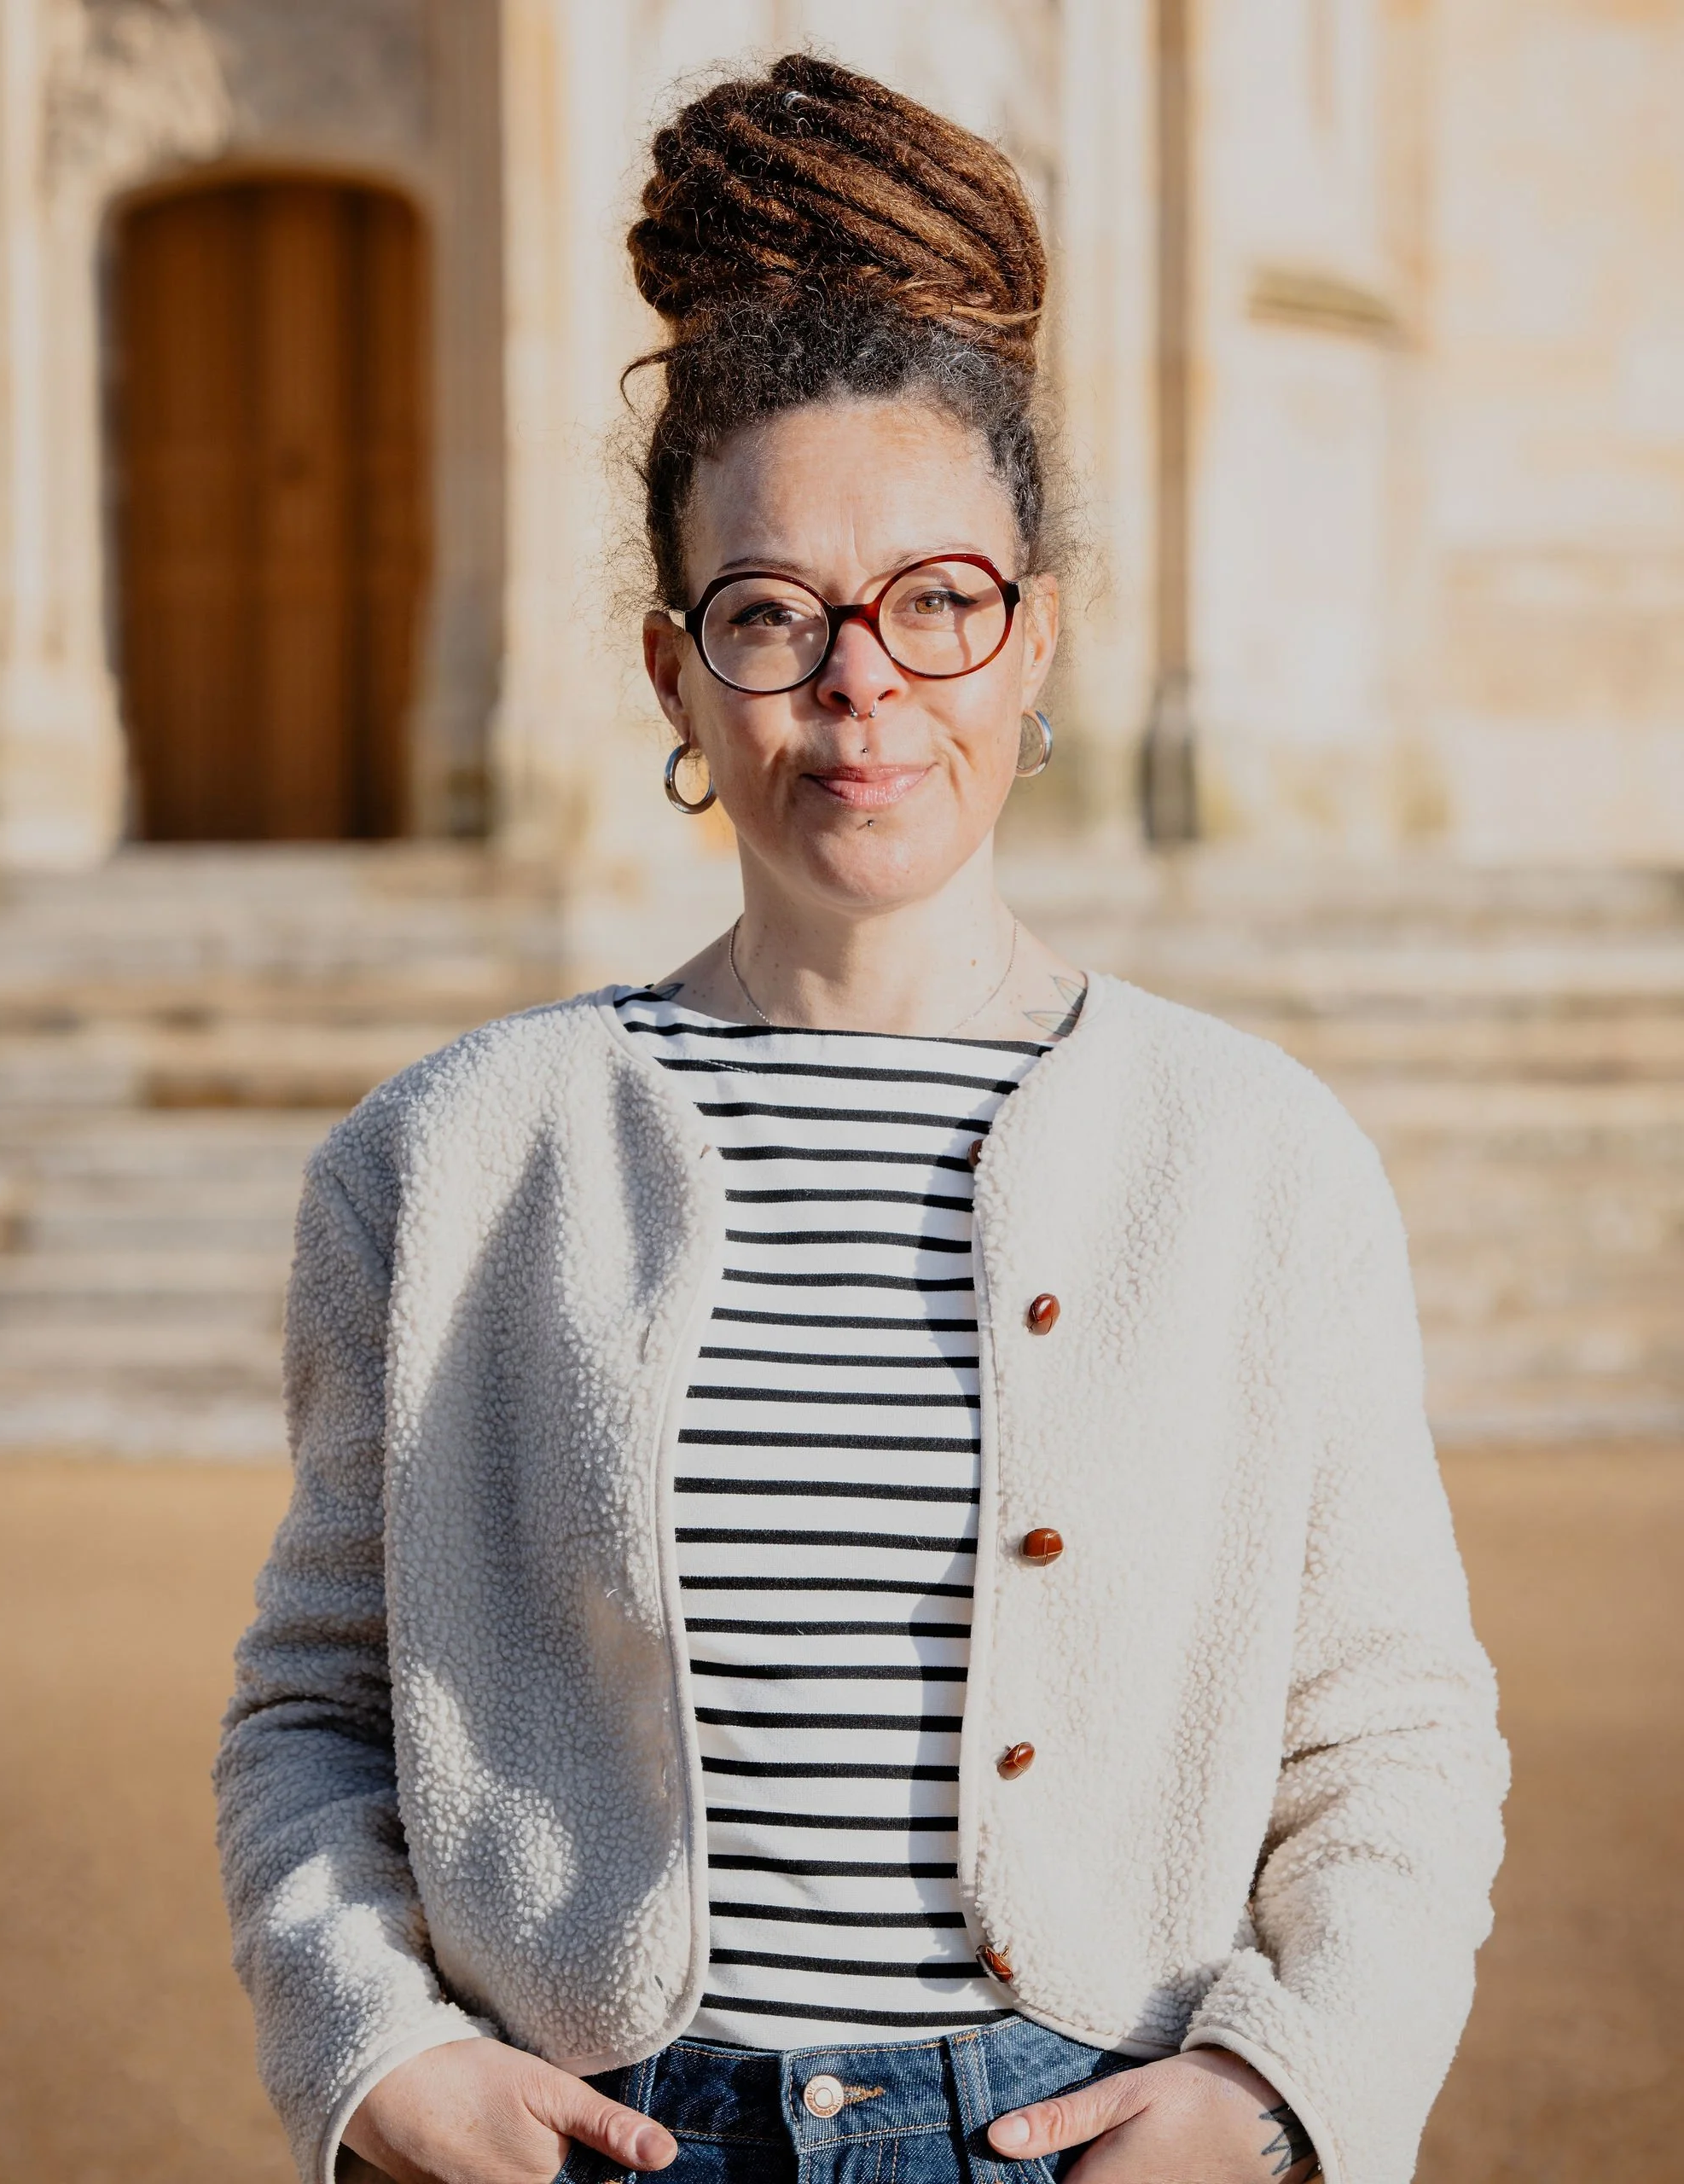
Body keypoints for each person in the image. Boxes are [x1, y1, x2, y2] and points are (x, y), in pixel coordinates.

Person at [215, 55, 1506, 2184]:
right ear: (673, 673)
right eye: (769, 613)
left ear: (1035, 640)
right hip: (593, 2138)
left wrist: (1282, 2090)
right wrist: (371, 2049)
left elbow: (1392, 1730)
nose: (858, 681)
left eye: (935, 599)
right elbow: (314, 1708)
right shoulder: (443, 1164)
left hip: (1082, 2131)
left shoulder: (1259, 1159)